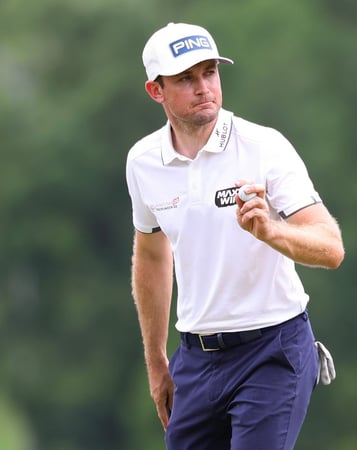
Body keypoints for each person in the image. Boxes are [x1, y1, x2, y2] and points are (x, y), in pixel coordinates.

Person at [125, 22, 345, 450]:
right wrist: (156, 360)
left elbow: (331, 247)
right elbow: (152, 256)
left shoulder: (265, 146)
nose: (203, 87)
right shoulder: (142, 162)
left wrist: (271, 231)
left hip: (273, 350)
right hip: (195, 358)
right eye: (186, 78)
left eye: (209, 72)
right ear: (157, 91)